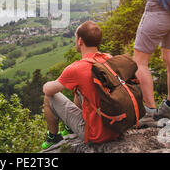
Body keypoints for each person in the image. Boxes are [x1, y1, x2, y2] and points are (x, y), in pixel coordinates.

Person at [41, 21, 119, 149]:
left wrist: (48, 83)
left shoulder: (77, 68)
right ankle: (69, 128)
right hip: (116, 126)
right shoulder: (109, 58)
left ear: (80, 41)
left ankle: (53, 137)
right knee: (81, 88)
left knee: (49, 97)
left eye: (75, 37)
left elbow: (48, 90)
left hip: (97, 135)